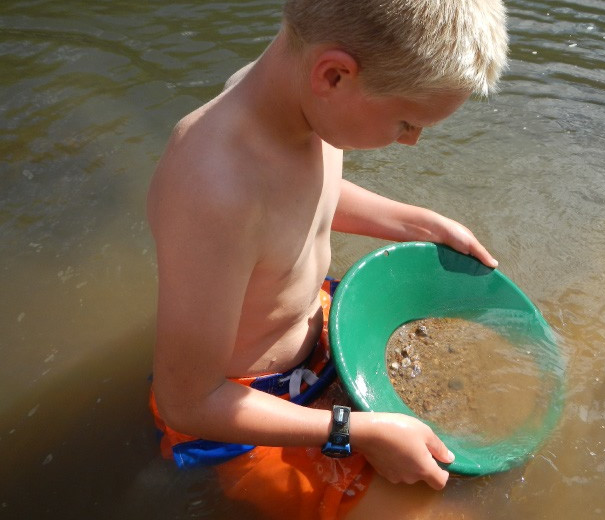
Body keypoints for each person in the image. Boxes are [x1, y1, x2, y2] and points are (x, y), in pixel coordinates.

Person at [146, 0, 508, 518]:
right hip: (237, 411)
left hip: (318, 330)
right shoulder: (210, 190)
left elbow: (307, 192)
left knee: (462, 446)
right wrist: (352, 429)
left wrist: (416, 222)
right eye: (406, 122)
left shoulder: (292, 100)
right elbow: (186, 400)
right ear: (334, 75)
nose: (412, 141)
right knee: (433, 508)